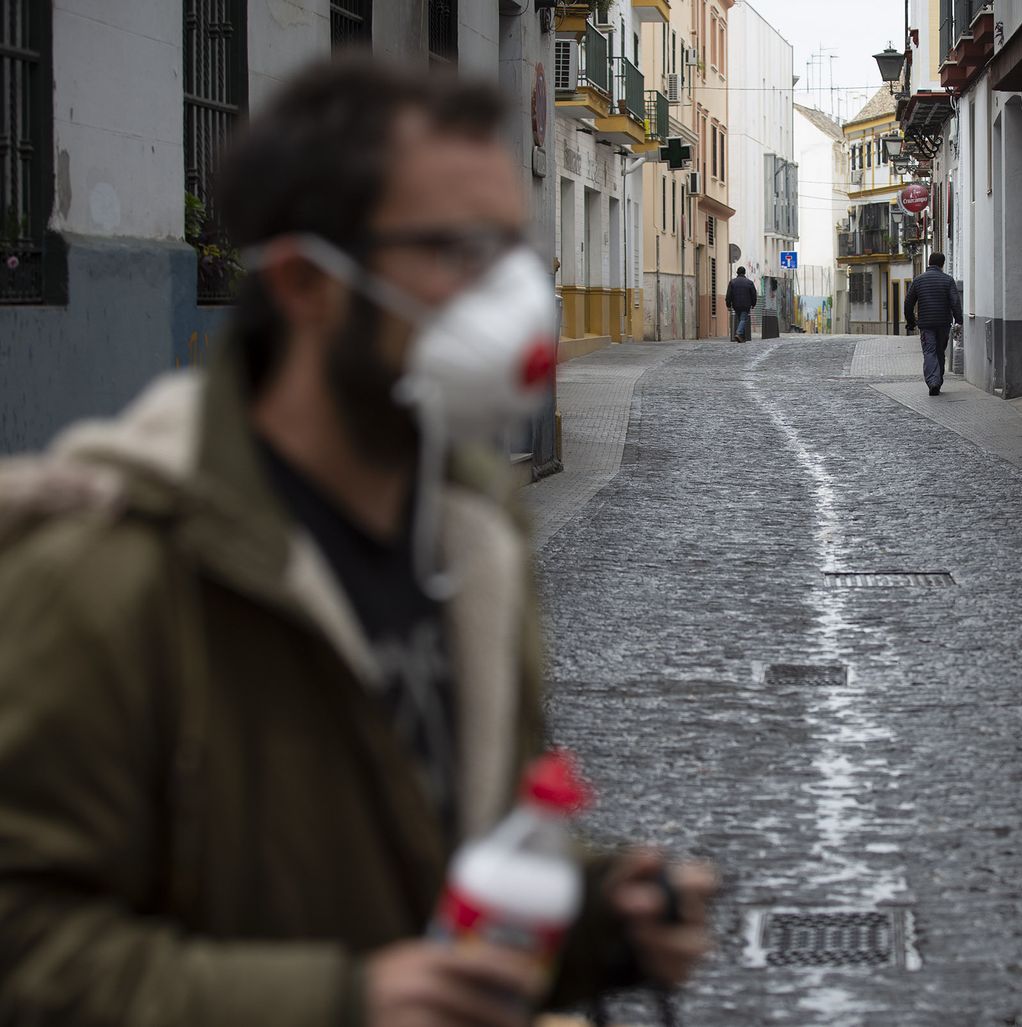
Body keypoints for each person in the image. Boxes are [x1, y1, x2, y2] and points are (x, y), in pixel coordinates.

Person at [0, 58, 713, 1026]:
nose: (512, 293)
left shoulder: (475, 539)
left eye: (511, 248)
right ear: (304, 281)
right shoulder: (106, 569)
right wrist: (341, 1003)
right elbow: (30, 951)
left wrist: (595, 920)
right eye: (457, 250)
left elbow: (444, 858)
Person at [904, 252, 963, 396]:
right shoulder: (948, 280)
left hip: (926, 324)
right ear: (942, 264)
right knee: (939, 352)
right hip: (943, 323)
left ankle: (933, 382)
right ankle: (938, 380)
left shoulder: (918, 280)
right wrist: (959, 320)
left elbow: (908, 303)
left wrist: (911, 322)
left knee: (929, 352)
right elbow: (955, 302)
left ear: (929, 262)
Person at [726, 266, 758, 343]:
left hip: (736, 304)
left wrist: (728, 304)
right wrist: (753, 304)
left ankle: (742, 338)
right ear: (744, 273)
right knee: (743, 319)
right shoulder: (749, 282)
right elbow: (754, 294)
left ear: (737, 272)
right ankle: (739, 333)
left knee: (740, 319)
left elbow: (729, 295)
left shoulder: (732, 282)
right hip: (746, 304)